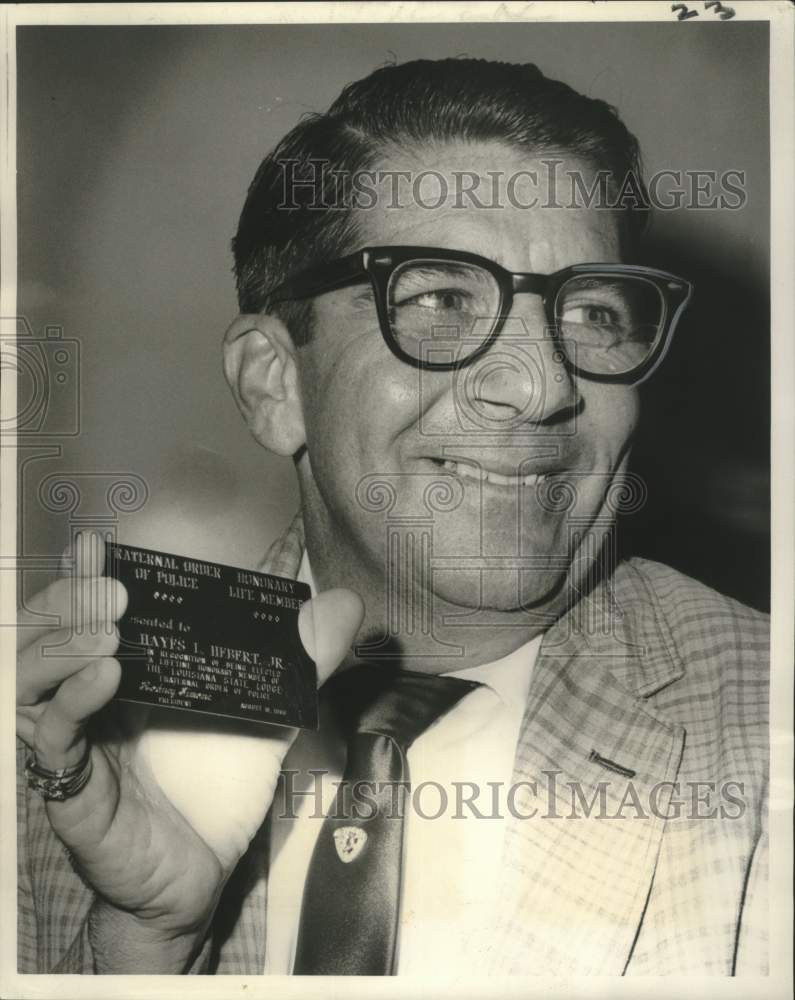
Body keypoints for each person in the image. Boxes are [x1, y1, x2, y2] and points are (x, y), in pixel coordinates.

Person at [16, 58, 768, 977]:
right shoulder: (72, 737)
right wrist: (141, 947)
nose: (538, 389)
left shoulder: (768, 729)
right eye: (443, 301)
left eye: (592, 315)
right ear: (275, 384)